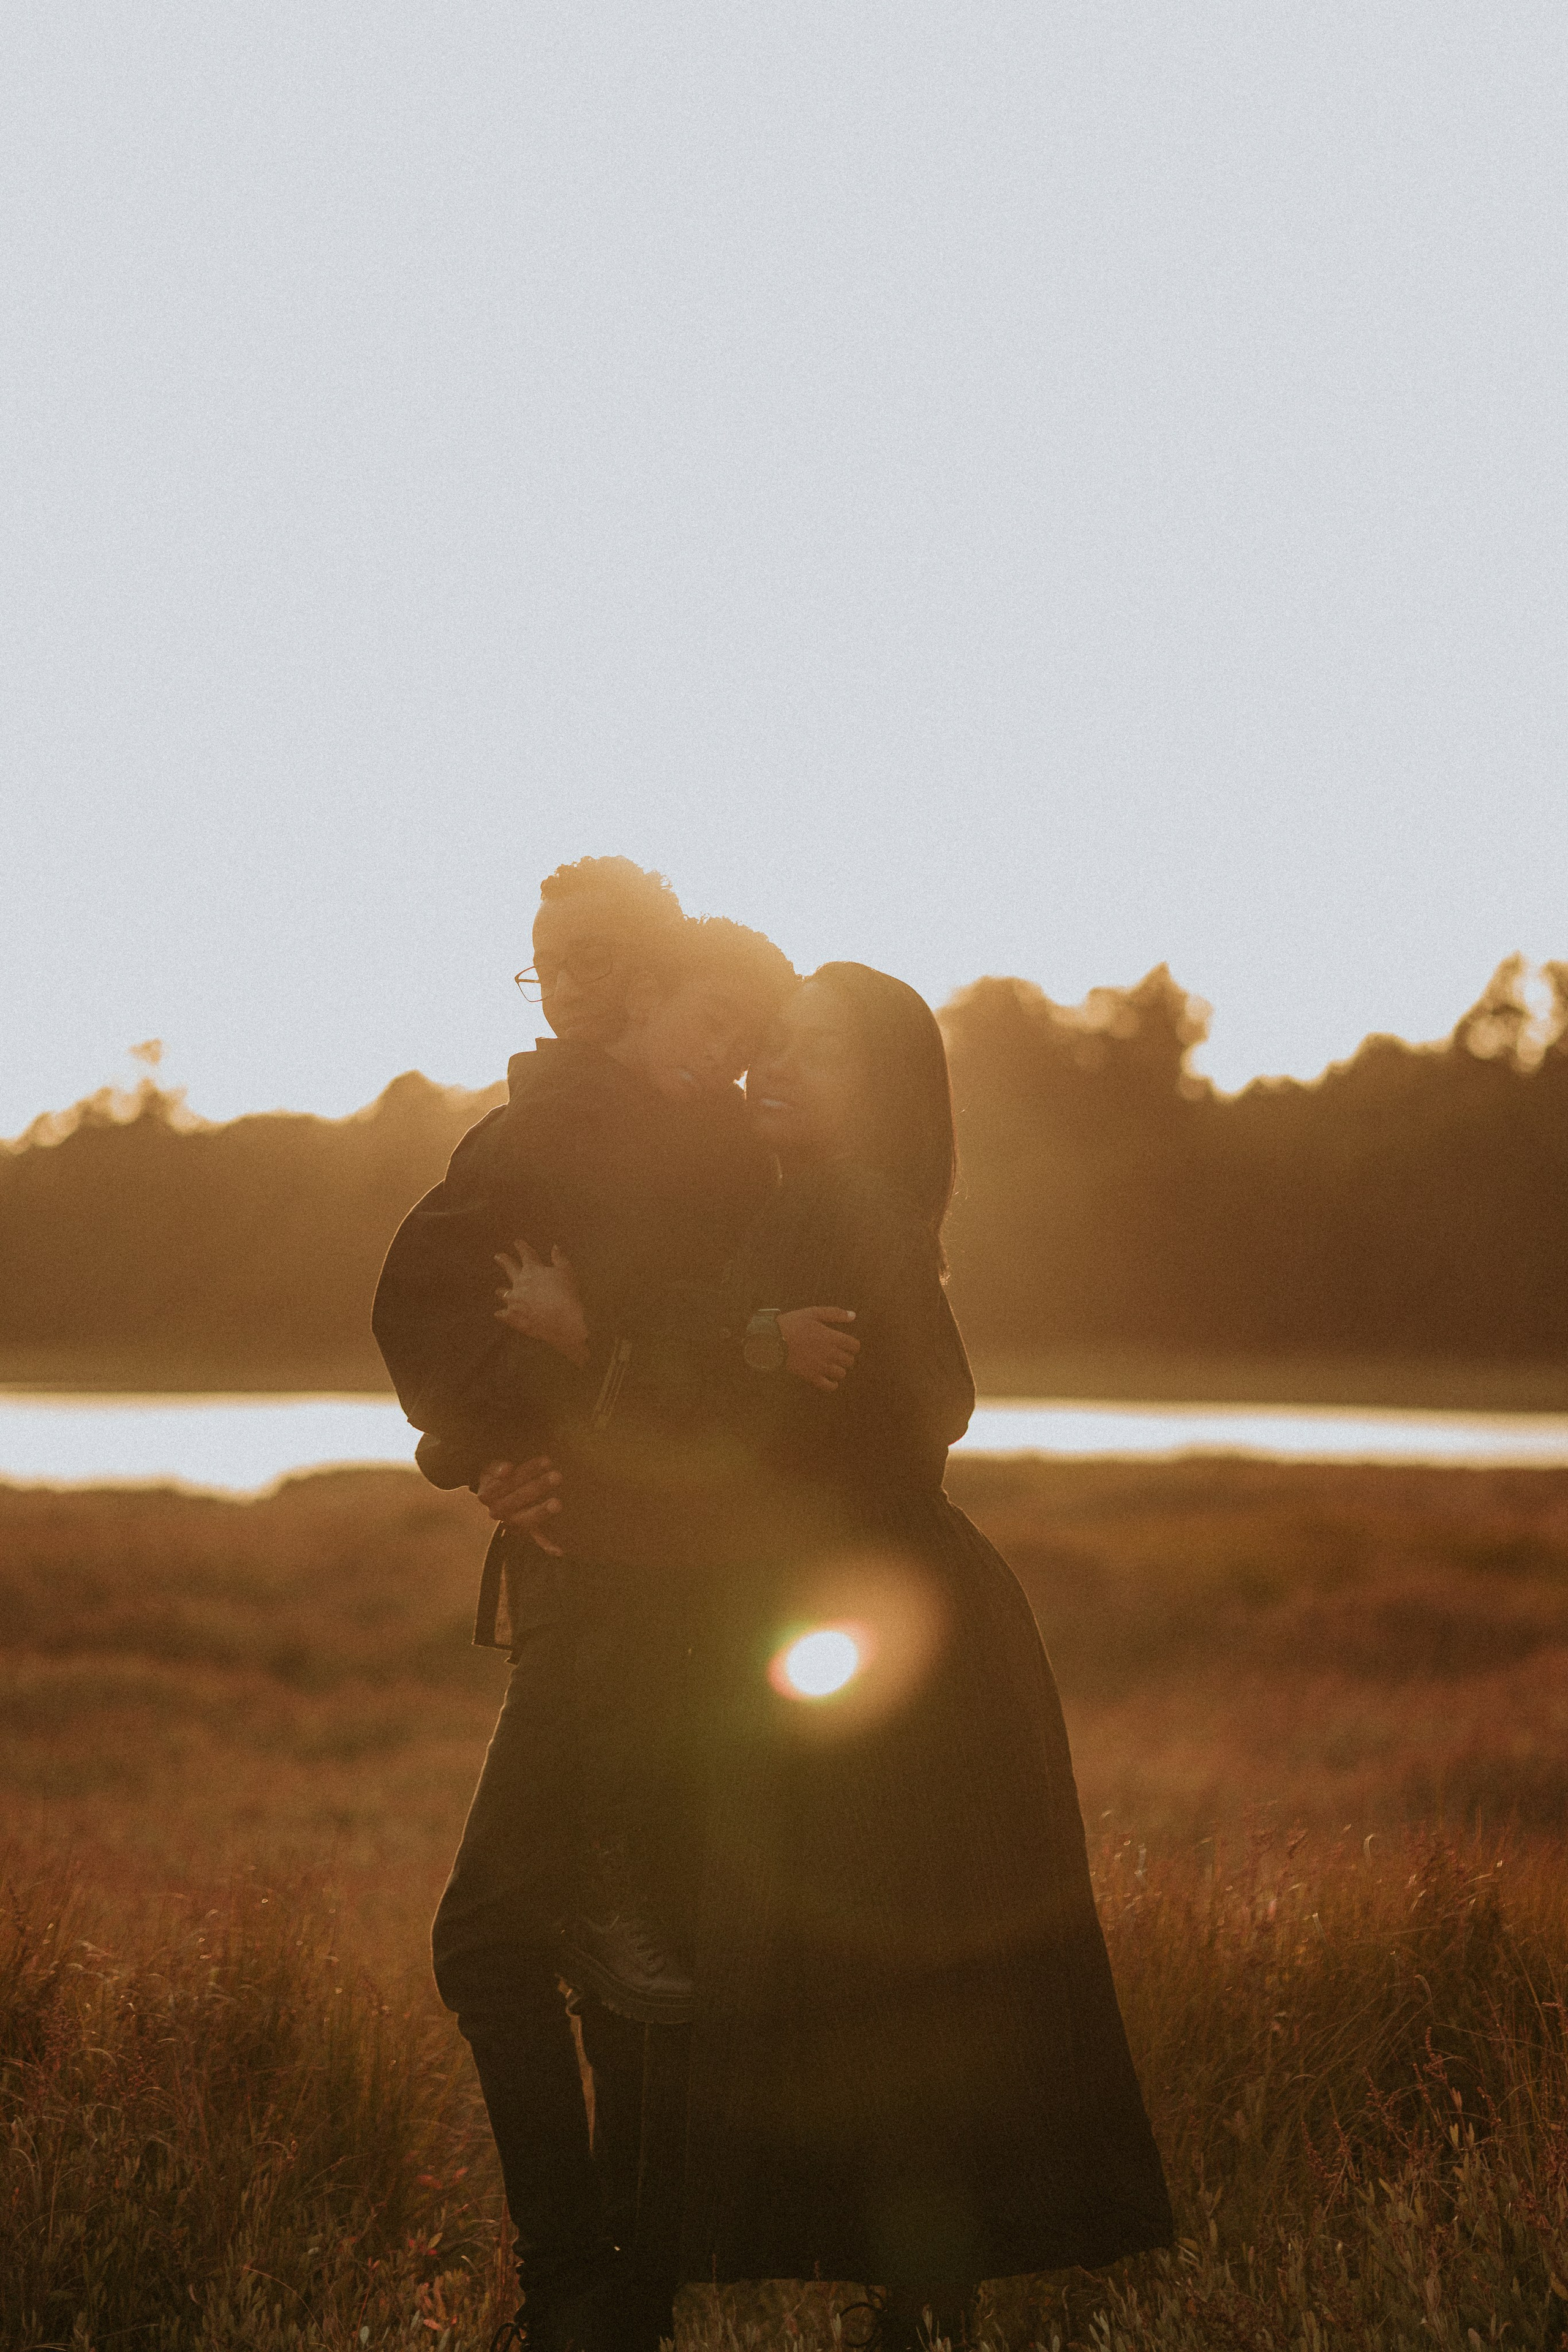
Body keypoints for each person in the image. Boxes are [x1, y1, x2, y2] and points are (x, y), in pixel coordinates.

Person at [490, 962, 1174, 2345]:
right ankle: (878, 2302)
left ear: (886, 1092)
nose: (774, 1071)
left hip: (884, 1637)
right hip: (846, 1624)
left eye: (816, 1052)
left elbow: (935, 1399)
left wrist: (611, 1367)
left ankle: (883, 2307)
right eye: (773, 1045)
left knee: (890, 1982)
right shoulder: (788, 1206)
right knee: (861, 1982)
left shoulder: (854, 1211)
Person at [372, 869, 842, 2352]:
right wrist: (477, 1450)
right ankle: (616, 2290)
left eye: (596, 959)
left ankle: (580, 2282)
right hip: (593, 1568)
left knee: (493, 1942)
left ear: (651, 972)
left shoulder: (692, 1150)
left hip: (631, 1591)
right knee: (614, 1949)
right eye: (542, 964)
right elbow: (430, 1304)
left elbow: (671, 1354)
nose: (566, 982)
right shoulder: (530, 1130)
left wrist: (552, 1396)